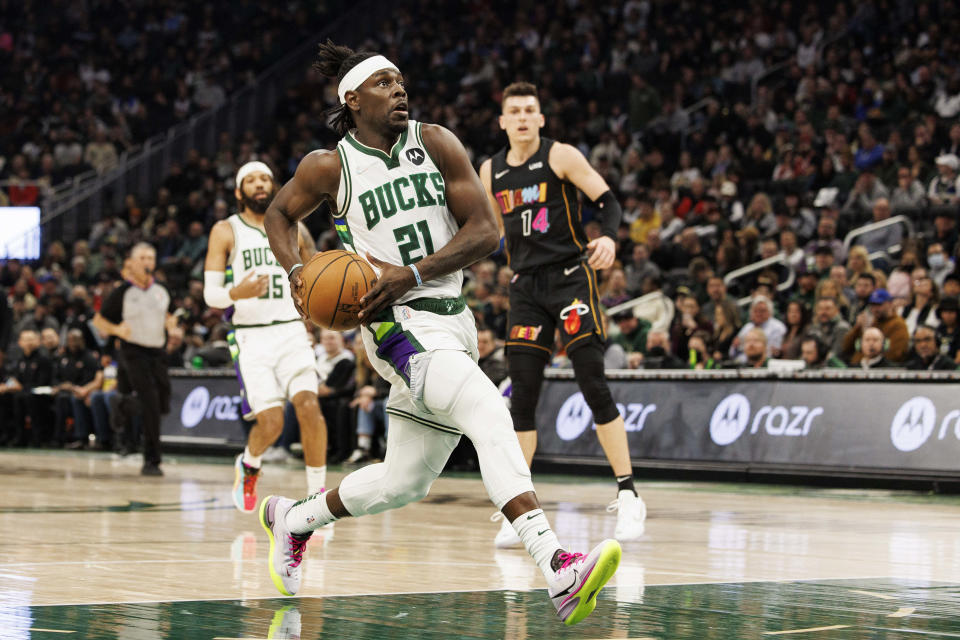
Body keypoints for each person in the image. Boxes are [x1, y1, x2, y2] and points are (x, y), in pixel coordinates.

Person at [260, 43, 621, 625]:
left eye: (401, 80)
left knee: (404, 483)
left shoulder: (437, 143)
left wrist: (415, 271)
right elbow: (279, 215)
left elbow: (485, 233)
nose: (399, 89)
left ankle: (293, 519)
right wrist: (298, 270)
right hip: (392, 325)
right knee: (487, 409)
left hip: (450, 313)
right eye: (383, 83)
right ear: (352, 99)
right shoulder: (327, 167)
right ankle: (557, 565)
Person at [479, 81, 645, 546]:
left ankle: (629, 494)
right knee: (523, 396)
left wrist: (609, 236)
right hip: (526, 287)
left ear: (541, 118)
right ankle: (523, 510)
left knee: (592, 380)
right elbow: (476, 222)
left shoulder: (561, 156)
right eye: (515, 111)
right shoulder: (489, 170)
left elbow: (607, 201)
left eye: (531, 109)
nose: (524, 117)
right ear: (503, 121)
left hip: (572, 277)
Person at [203, 161, 330, 512]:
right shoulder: (226, 230)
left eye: (265, 179)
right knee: (272, 423)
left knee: (309, 406)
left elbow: (320, 276)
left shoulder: (296, 229)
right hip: (251, 337)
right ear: (239, 191)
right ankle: (249, 464)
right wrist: (236, 292)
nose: (260, 184)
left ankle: (317, 498)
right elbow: (210, 295)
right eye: (252, 180)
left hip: (291, 330)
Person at [92, 243, 176, 476]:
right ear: (132, 262)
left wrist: (172, 325)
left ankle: (123, 405)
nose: (147, 261)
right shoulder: (122, 292)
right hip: (133, 352)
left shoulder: (162, 290)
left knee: (163, 401)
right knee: (149, 402)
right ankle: (152, 460)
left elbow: (170, 316)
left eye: (151, 257)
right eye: (142, 257)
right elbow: (99, 321)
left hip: (158, 351)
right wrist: (118, 331)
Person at [841, 289, 910, 365]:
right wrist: (858, 327)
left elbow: (895, 354)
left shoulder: (898, 324)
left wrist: (872, 361)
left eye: (879, 304)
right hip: (859, 367)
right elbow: (845, 348)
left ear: (890, 304)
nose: (875, 309)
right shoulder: (873, 322)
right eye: (872, 305)